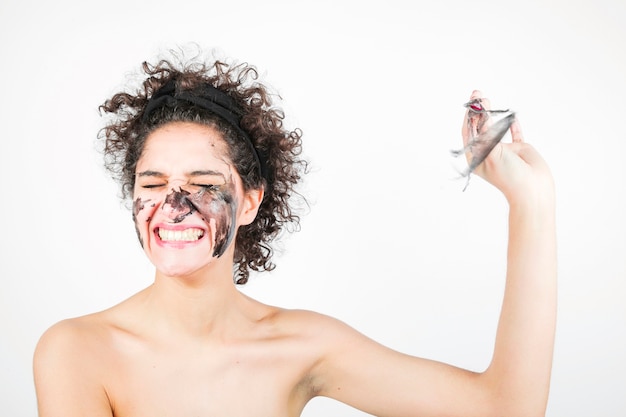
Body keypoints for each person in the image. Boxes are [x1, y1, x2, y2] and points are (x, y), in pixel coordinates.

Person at [33, 49, 557, 417]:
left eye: (203, 184)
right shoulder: (78, 350)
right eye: (153, 183)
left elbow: (506, 407)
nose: (173, 206)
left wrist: (530, 202)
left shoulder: (303, 345)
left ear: (250, 201)